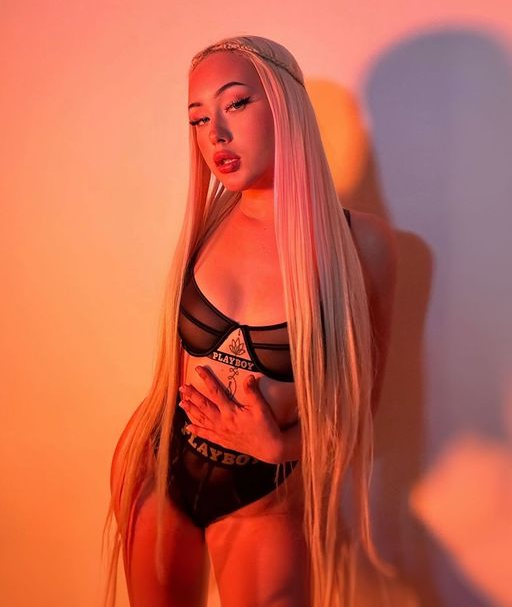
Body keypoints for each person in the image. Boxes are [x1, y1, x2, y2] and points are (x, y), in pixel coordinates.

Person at [102, 35, 397, 607]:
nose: (215, 134)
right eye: (197, 118)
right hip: (156, 466)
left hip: (264, 493)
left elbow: (361, 409)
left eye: (235, 103)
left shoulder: (361, 244)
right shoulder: (207, 224)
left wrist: (281, 446)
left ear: (286, 104)